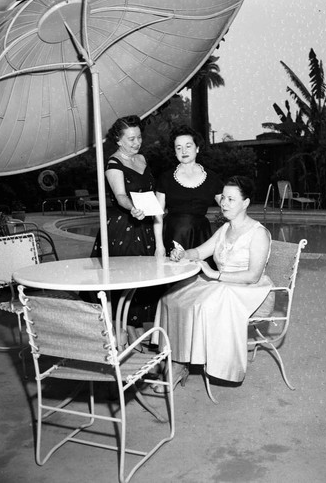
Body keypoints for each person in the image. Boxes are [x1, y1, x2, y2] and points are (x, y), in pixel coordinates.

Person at [153, 176, 275, 391]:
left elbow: (253, 276)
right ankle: (178, 359)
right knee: (172, 296)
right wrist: (183, 254)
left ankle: (183, 363)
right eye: (223, 198)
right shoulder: (225, 229)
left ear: (245, 203)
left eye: (231, 199)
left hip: (251, 292)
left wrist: (214, 275)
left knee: (203, 304)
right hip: (224, 285)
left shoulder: (259, 233)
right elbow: (200, 251)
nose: (224, 203)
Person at [91, 115, 160, 337]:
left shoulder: (143, 159)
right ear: (118, 140)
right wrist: (132, 208)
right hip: (125, 226)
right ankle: (128, 333)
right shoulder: (113, 163)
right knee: (128, 280)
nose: (136, 142)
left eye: (139, 137)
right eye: (131, 139)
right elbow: (120, 195)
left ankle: (135, 331)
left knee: (144, 281)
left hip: (145, 225)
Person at [154, 125, 223, 258]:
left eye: (188, 146)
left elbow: (227, 206)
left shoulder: (212, 177)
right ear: (175, 152)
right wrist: (159, 246)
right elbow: (157, 216)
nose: (183, 151)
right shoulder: (165, 178)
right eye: (178, 147)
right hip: (173, 234)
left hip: (201, 237)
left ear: (197, 148)